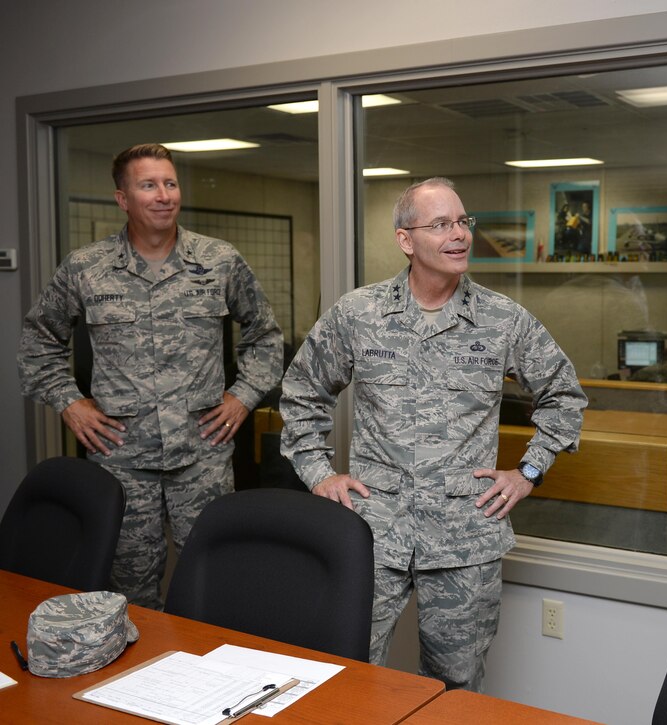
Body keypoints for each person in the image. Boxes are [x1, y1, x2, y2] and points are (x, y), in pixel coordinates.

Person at [279, 177, 586, 691]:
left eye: (463, 221)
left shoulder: (502, 319)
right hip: (372, 532)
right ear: (406, 239)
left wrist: (529, 471)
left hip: (465, 539)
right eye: (441, 223)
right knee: (344, 673)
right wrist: (317, 474)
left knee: (455, 690)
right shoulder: (359, 314)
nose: (459, 234)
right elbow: (301, 393)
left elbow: (564, 396)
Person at [18, 143, 283, 609]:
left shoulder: (218, 261)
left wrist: (242, 396)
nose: (163, 195)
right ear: (123, 199)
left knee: (216, 582)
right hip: (121, 458)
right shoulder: (87, 268)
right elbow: (39, 340)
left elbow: (265, 335)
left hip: (202, 455)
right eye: (148, 185)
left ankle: (216, 679)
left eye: (170, 183)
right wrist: (69, 401)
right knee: (129, 592)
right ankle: (142, 681)